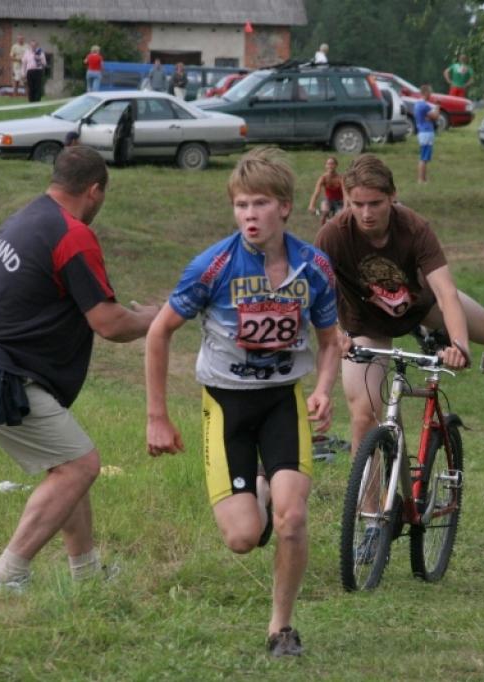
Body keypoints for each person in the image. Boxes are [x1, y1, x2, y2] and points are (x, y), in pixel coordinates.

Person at [145, 147, 340, 658]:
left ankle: (281, 628)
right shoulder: (212, 266)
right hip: (227, 405)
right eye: (240, 205)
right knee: (243, 537)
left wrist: (322, 390)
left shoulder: (314, 266)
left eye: (259, 204)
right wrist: (157, 416)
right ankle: (259, 487)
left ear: (285, 207)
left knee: (293, 518)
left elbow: (328, 340)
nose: (249, 215)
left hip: (281, 401)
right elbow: (159, 332)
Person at [0, 146, 159, 592]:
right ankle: (6, 576)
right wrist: (160, 319)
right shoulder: (71, 232)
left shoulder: (27, 218)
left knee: (68, 461)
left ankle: (86, 574)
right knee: (80, 465)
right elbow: (109, 323)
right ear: (95, 190)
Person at [314, 154, 484, 469]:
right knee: (364, 415)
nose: (366, 213)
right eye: (357, 204)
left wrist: (459, 345)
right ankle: (370, 512)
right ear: (347, 199)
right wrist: (339, 334)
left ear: (393, 195)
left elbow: (445, 291)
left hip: (420, 308)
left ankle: (432, 332)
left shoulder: (413, 227)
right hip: (366, 326)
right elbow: (317, 299)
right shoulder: (333, 235)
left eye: (375, 203)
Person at [413, 85, 440, 184]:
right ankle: (420, 179)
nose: (431, 95)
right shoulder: (425, 105)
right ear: (425, 93)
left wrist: (429, 117)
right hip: (426, 132)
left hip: (421, 131)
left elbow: (428, 116)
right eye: (430, 92)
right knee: (424, 158)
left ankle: (424, 178)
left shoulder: (417, 104)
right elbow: (436, 116)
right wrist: (437, 106)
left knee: (424, 157)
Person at [307, 156, 344, 223]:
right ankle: (323, 228)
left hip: (339, 202)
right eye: (328, 164)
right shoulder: (323, 178)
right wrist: (311, 205)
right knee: (324, 213)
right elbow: (316, 193)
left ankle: (332, 219)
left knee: (339, 218)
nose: (330, 166)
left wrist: (347, 206)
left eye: (332, 164)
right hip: (328, 200)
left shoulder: (340, 178)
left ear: (336, 165)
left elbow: (346, 194)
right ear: (325, 166)